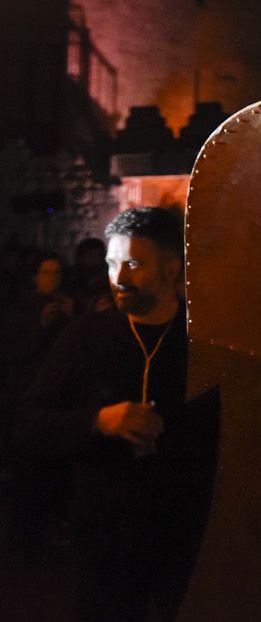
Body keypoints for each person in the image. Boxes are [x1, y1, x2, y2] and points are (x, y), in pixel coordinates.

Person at [15, 207, 215, 622]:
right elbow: (28, 423)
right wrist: (97, 421)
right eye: (112, 262)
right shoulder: (86, 337)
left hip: (187, 536)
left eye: (134, 264)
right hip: (106, 535)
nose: (118, 277)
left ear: (171, 269)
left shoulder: (204, 343)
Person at [2, 251, 75, 559]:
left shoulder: (66, 306)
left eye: (57, 273)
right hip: (25, 398)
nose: (53, 279)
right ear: (34, 277)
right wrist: (41, 328)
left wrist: (71, 318)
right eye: (47, 273)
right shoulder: (19, 310)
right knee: (27, 472)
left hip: (55, 402)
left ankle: (44, 531)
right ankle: (24, 538)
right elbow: (14, 356)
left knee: (51, 471)